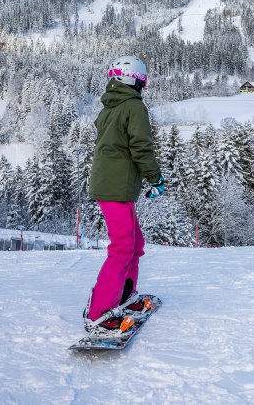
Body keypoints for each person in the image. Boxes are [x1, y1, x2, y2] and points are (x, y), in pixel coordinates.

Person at [83, 55, 165, 335]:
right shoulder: (133, 107)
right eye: (142, 82)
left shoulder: (110, 108)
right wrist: (155, 178)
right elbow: (141, 146)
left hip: (115, 185)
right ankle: (99, 314)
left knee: (134, 243)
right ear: (136, 82)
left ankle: (124, 297)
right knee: (122, 247)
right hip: (115, 187)